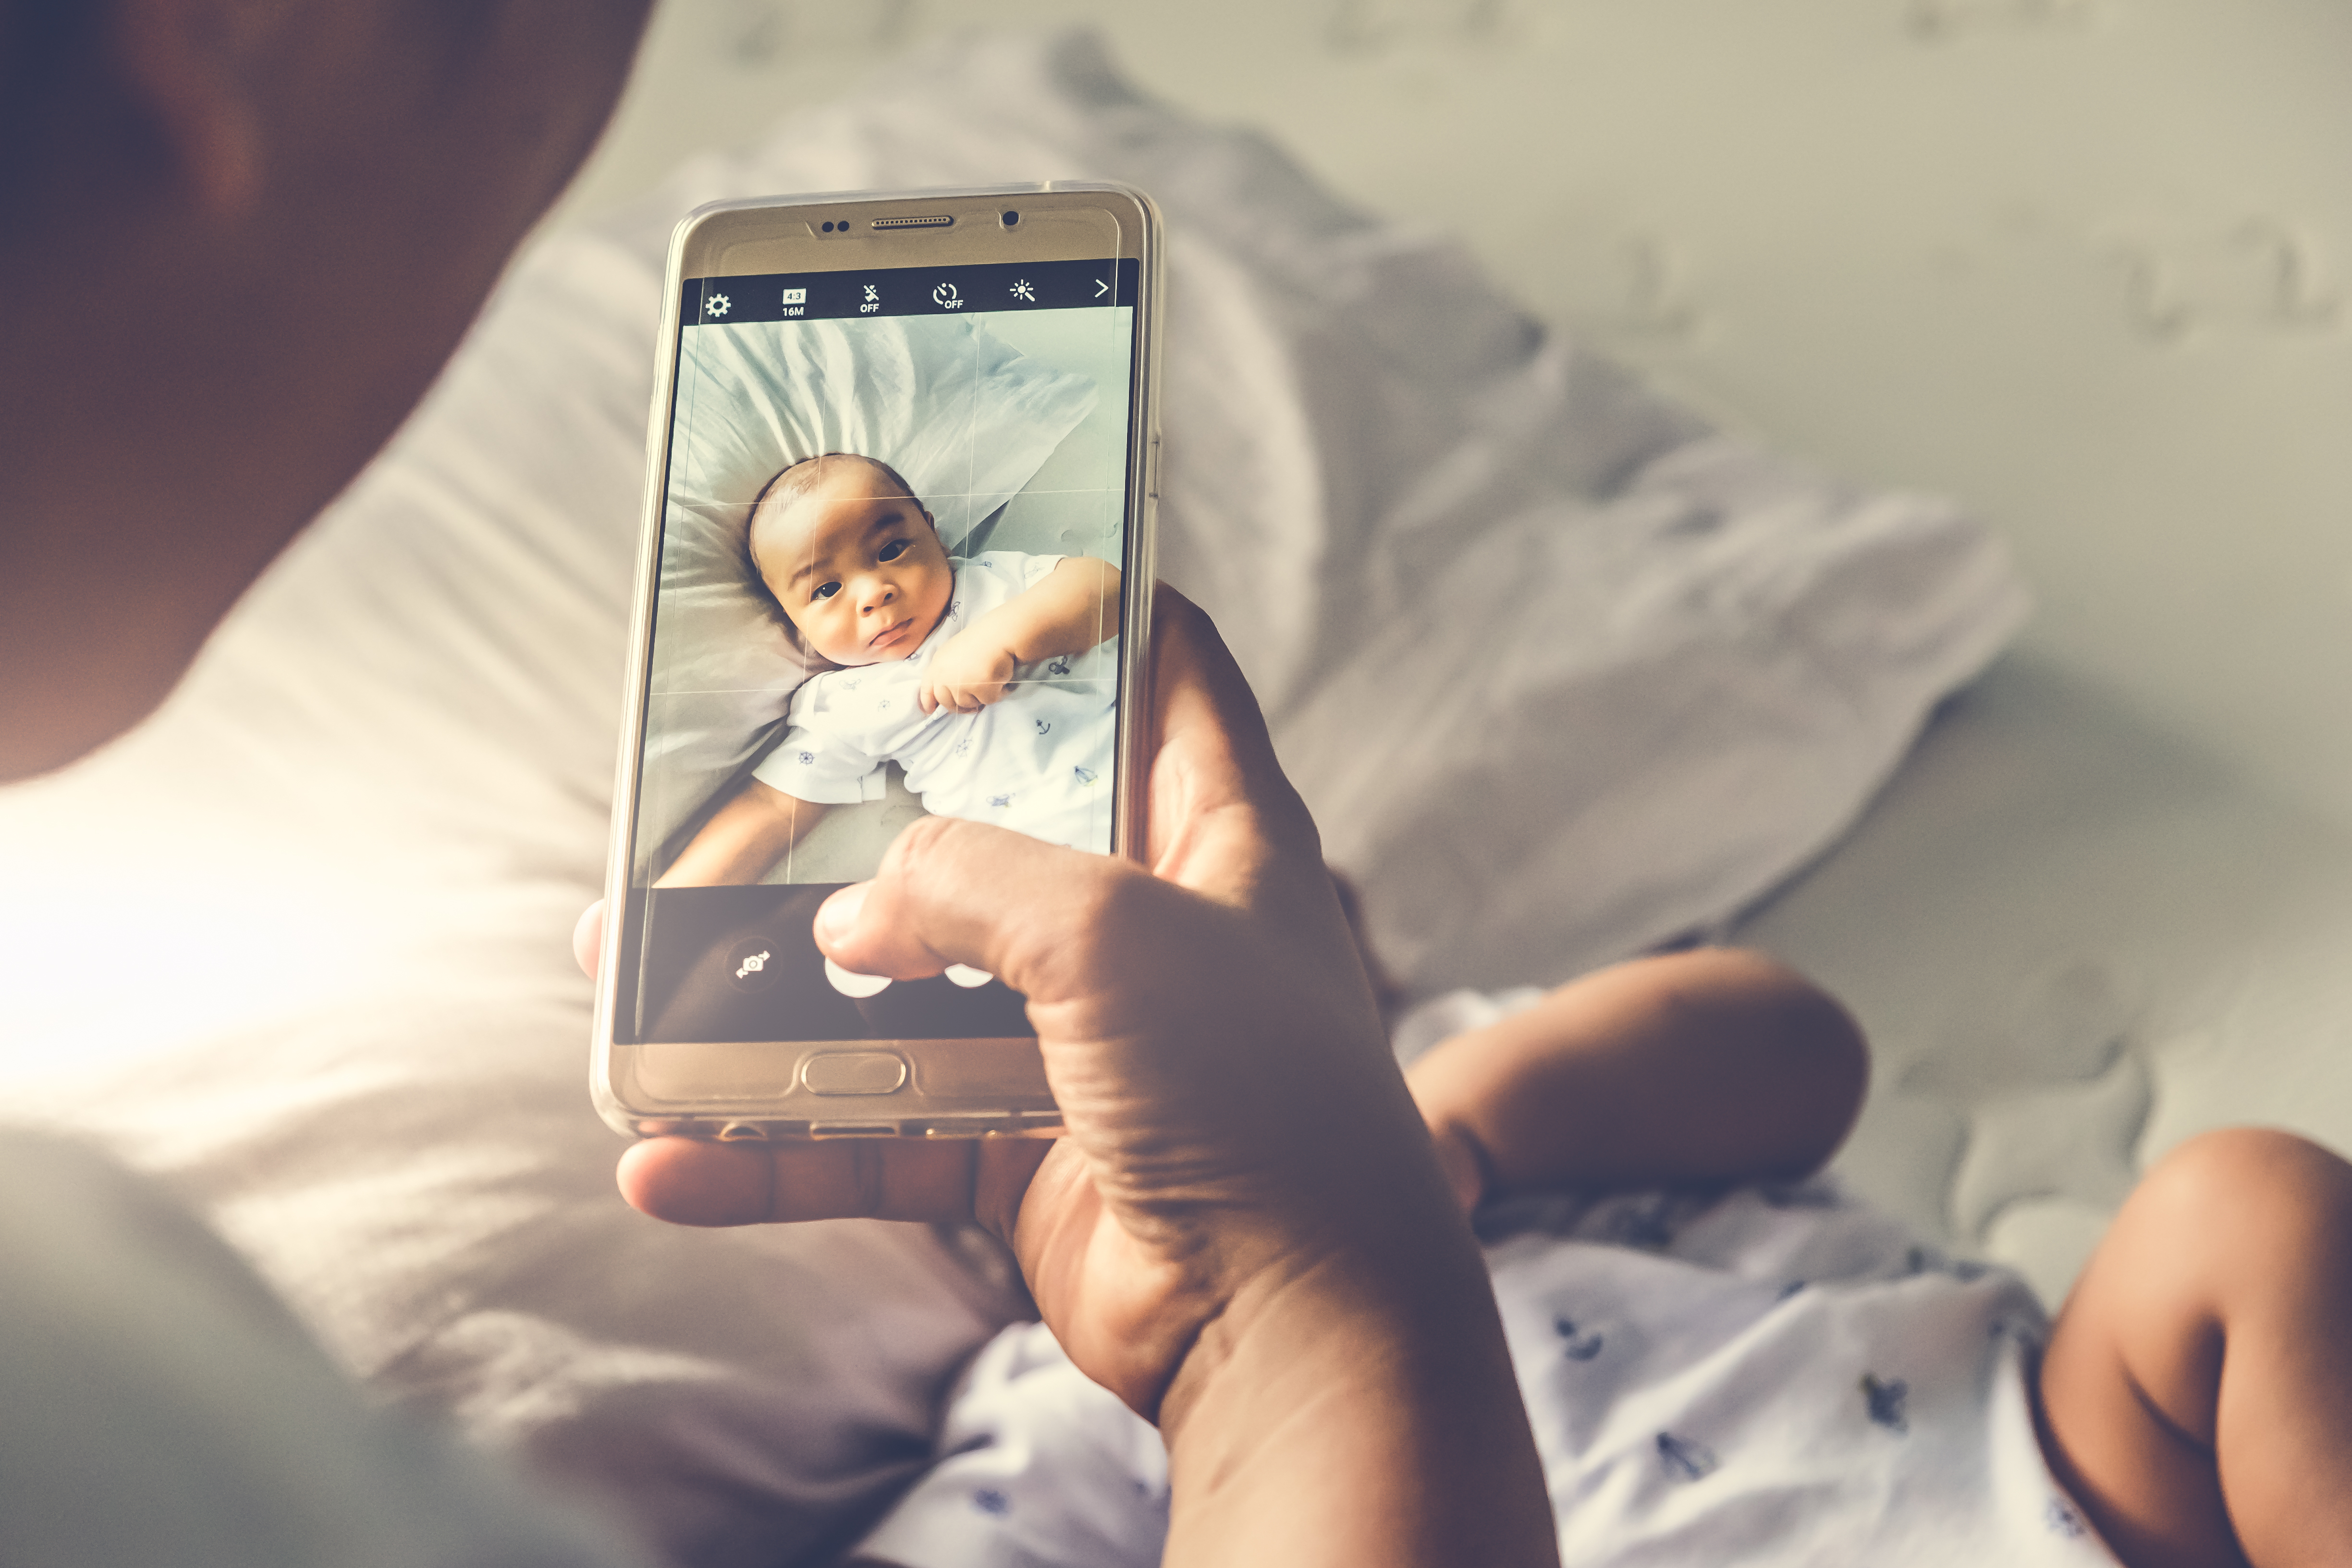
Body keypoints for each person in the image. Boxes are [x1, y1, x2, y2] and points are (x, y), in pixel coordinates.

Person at [0, 2, 1559, 1563]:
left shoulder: (1007, 589)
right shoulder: (91, 1383)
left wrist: (1007, 629)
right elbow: (773, 807)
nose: (878, 586)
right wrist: (1290, 1304)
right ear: (248, 40)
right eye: (829, 578)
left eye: (897, 538)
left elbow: (1089, 592)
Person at [778, 941, 2352, 1568]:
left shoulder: (1489, 1078)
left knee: (2241, 1203)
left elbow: (1802, 1051)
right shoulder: (1076, 1378)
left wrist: (1446, 1125)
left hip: (2061, 1474)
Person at [661, 452, 1122, 885]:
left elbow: (1107, 587)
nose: (874, 593)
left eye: (892, 549)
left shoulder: (995, 583)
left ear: (932, 532)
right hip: (1027, 868)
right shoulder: (842, 703)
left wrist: (999, 637)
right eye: (826, 590)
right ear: (791, 619)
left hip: (1130, 781)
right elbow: (774, 807)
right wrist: (675, 897)